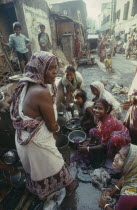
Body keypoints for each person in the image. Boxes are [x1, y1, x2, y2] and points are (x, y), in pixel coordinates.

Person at [10, 51, 78, 200]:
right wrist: (58, 131)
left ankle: (42, 190)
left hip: (24, 137)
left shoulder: (26, 83)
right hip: (35, 142)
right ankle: (69, 185)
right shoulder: (41, 91)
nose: (55, 72)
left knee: (37, 169)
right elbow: (52, 124)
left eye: (56, 67)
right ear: (39, 68)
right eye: (50, 68)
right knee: (55, 162)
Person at [99, 144, 137, 210]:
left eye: (121, 158)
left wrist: (105, 205)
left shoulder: (128, 196)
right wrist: (112, 192)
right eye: (118, 153)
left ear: (130, 164)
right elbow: (123, 178)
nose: (115, 158)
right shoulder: (133, 172)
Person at [124, 70, 137, 145]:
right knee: (132, 128)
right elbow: (132, 91)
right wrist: (132, 98)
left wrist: (134, 98)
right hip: (135, 109)